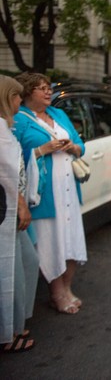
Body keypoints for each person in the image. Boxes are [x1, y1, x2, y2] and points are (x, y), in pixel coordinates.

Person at [12, 72, 87, 315]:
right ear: (27, 93)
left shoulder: (58, 114)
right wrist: (42, 149)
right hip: (44, 195)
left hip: (69, 192)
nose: (48, 92)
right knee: (51, 242)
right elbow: (12, 159)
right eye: (42, 88)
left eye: (49, 88)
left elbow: (80, 144)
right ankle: (56, 293)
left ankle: (67, 287)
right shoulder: (20, 120)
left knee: (71, 240)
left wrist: (73, 147)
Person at [0, 75, 39, 352]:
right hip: (8, 213)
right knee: (11, 270)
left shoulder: (5, 127)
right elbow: (6, 176)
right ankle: (10, 333)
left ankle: (16, 324)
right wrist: (22, 205)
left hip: (13, 210)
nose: (19, 101)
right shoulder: (0, 131)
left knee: (28, 262)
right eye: (16, 96)